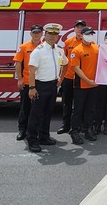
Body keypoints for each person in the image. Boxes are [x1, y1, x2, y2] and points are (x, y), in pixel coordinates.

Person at [26, 23, 68, 153]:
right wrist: (32, 87)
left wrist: (61, 78)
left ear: (58, 36)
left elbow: (66, 64)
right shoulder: (38, 51)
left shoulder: (59, 50)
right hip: (40, 85)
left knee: (48, 113)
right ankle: (32, 140)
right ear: (45, 35)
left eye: (55, 34)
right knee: (36, 114)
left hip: (53, 85)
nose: (52, 37)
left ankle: (44, 136)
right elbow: (31, 71)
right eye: (50, 34)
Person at [70, 26, 100, 144]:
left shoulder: (96, 48)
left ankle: (88, 129)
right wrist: (87, 80)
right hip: (81, 85)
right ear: (81, 35)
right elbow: (76, 68)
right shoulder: (77, 50)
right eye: (87, 34)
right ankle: (75, 132)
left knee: (90, 109)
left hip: (94, 85)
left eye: (91, 34)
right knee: (78, 110)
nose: (90, 36)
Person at [14, 24, 43, 141]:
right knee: (25, 108)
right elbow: (18, 63)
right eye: (34, 33)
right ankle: (22, 130)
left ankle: (37, 131)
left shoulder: (46, 47)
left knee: (39, 109)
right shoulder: (23, 47)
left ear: (42, 34)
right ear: (31, 34)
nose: (36, 35)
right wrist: (20, 79)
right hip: (26, 83)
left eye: (38, 33)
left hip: (41, 82)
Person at [57, 19, 86, 134]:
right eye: (78, 27)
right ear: (74, 29)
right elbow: (62, 60)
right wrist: (61, 76)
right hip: (68, 78)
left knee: (80, 104)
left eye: (82, 27)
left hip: (81, 79)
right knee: (66, 103)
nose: (79, 29)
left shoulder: (89, 43)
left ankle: (79, 126)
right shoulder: (68, 42)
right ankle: (66, 125)